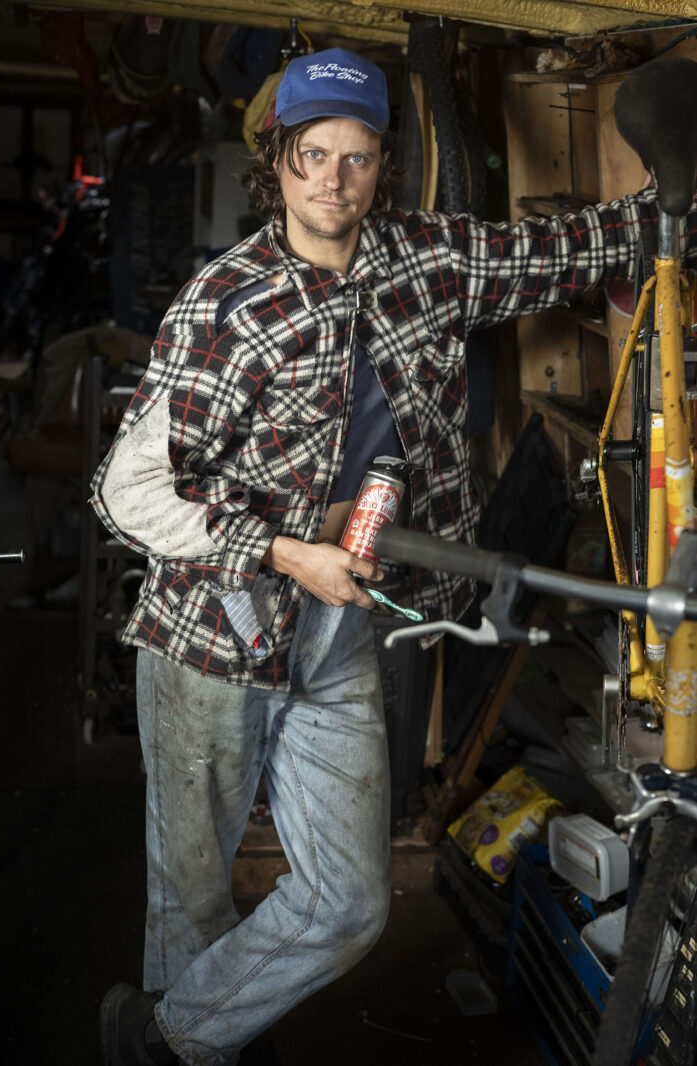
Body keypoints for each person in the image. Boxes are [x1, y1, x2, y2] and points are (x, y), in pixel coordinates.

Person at [93, 46, 687, 1066]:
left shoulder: (425, 259)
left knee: (351, 900)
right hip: (212, 636)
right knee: (191, 897)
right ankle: (190, 1048)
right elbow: (125, 491)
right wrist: (282, 550)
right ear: (277, 160)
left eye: (357, 156)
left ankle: (162, 1036)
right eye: (313, 154)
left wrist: (672, 195)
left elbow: (568, 250)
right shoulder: (226, 305)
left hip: (339, 631)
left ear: (383, 165)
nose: (333, 179)